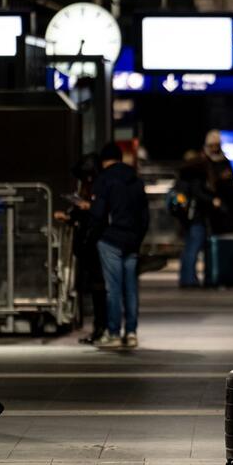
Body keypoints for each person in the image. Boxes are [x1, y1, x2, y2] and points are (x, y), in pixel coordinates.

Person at [87, 142, 149, 349]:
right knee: (130, 289)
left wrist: (95, 235)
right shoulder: (136, 180)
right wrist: (137, 238)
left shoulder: (103, 180)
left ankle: (114, 332)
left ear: (104, 160)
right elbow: (144, 216)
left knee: (113, 289)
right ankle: (131, 332)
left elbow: (98, 214)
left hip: (110, 239)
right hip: (131, 240)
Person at [55, 153, 107, 344]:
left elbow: (98, 214)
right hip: (89, 243)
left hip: (95, 242)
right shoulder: (91, 187)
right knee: (96, 288)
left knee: (99, 287)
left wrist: (87, 209)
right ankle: (100, 327)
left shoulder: (99, 188)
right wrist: (72, 216)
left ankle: (102, 327)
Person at [176, 150, 214, 288]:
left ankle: (185, 277)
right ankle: (189, 279)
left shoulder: (183, 175)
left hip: (186, 217)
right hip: (196, 217)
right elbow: (199, 193)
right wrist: (212, 199)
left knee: (188, 249)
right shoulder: (196, 176)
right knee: (193, 249)